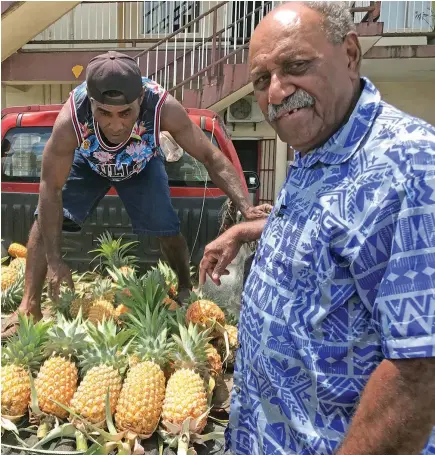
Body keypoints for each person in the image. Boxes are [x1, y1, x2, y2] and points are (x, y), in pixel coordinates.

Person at [200, 2, 435, 454]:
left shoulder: (411, 166)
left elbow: (418, 369)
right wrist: (250, 231)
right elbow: (333, 233)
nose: (276, 91)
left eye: (296, 66)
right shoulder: (317, 146)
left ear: (350, 54)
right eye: (261, 80)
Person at [1, 51, 269, 339]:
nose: (115, 124)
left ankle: (184, 287)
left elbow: (210, 156)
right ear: (91, 103)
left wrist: (246, 205)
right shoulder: (72, 118)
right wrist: (55, 262)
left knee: (167, 229)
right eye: (104, 113)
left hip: (140, 165)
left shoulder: (162, 107)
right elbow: (50, 188)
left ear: (140, 98)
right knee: (44, 220)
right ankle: (29, 306)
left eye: (125, 112)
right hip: (90, 163)